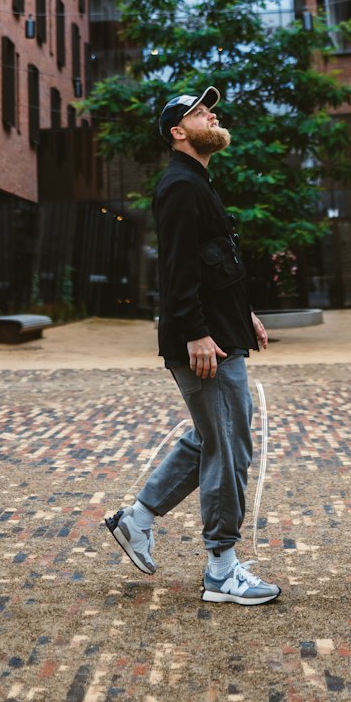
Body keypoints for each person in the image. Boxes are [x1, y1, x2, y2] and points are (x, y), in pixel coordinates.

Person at [104, 86, 281, 606]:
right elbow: (178, 269)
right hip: (206, 342)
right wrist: (196, 332)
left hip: (222, 333)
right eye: (200, 111)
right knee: (228, 445)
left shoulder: (197, 182)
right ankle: (221, 570)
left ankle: (136, 519)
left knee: (214, 438)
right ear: (180, 132)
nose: (212, 113)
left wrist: (243, 315)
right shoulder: (180, 186)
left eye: (210, 108)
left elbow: (211, 263)